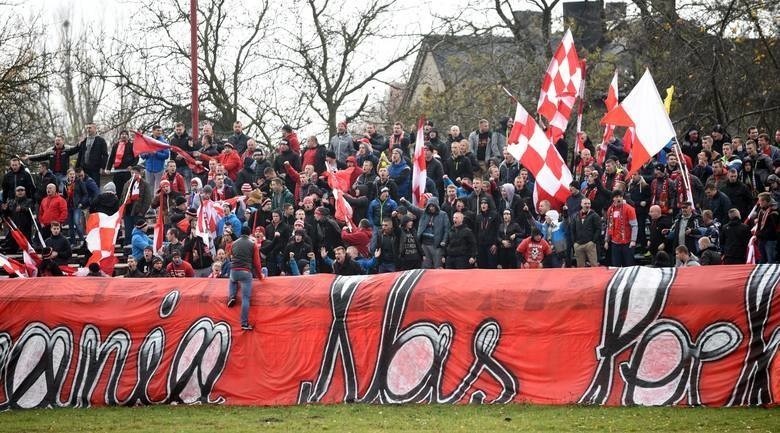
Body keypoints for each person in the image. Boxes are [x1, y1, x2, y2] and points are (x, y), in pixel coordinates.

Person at [227, 225, 264, 331]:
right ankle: (244, 323)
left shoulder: (233, 243)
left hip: (234, 270)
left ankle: (232, 296)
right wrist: (260, 276)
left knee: (232, 280)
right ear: (249, 234)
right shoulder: (253, 244)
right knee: (245, 298)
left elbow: (231, 256)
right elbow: (257, 263)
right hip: (245, 272)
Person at [604, 190, 638, 267]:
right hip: (615, 242)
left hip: (627, 242)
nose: (619, 198)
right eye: (616, 197)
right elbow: (609, 226)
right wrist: (606, 240)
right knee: (616, 265)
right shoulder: (610, 210)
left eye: (620, 197)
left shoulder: (629, 209)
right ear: (613, 199)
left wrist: (633, 240)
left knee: (628, 265)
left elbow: (634, 225)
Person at [570, 198, 601, 267]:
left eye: (589, 203)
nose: (587, 205)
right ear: (581, 204)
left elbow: (598, 229)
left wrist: (593, 241)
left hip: (590, 244)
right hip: (578, 244)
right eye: (585, 203)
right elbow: (572, 229)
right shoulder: (576, 216)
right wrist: (574, 242)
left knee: (594, 265)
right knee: (580, 266)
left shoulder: (595, 215)